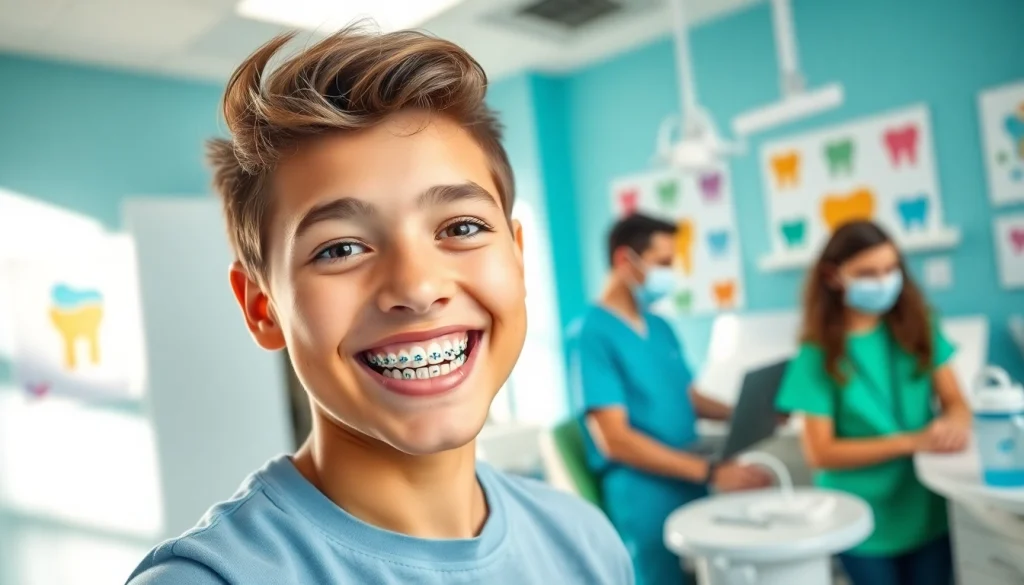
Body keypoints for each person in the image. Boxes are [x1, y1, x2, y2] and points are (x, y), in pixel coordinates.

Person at [126, 27, 633, 584]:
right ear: (261, 308)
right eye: (341, 249)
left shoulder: (585, 542)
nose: (417, 288)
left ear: (518, 258)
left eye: (461, 227)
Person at [569, 213, 773, 585]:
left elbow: (688, 396)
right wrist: (712, 473)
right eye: (663, 263)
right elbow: (615, 440)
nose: (671, 273)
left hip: (689, 472)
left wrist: (748, 413)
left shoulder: (660, 326)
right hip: (643, 492)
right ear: (624, 260)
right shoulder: (591, 334)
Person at [776, 220, 971, 585]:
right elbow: (820, 452)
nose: (883, 282)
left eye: (890, 269)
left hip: (924, 502)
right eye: (867, 273)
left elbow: (956, 401)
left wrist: (955, 423)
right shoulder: (817, 354)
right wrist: (912, 441)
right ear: (833, 276)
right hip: (858, 513)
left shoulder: (920, 326)